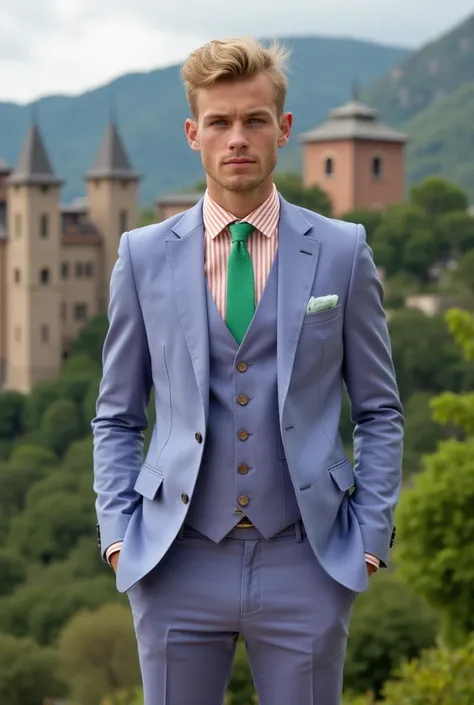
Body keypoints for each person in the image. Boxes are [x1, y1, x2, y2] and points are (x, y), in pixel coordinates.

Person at [92, 37, 403, 705]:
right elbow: (117, 412)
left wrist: (370, 536)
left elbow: (379, 408)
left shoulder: (343, 252)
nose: (238, 138)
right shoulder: (142, 256)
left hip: (307, 559)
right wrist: (119, 534)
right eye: (220, 122)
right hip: (174, 558)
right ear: (192, 133)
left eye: (255, 120)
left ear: (283, 129)